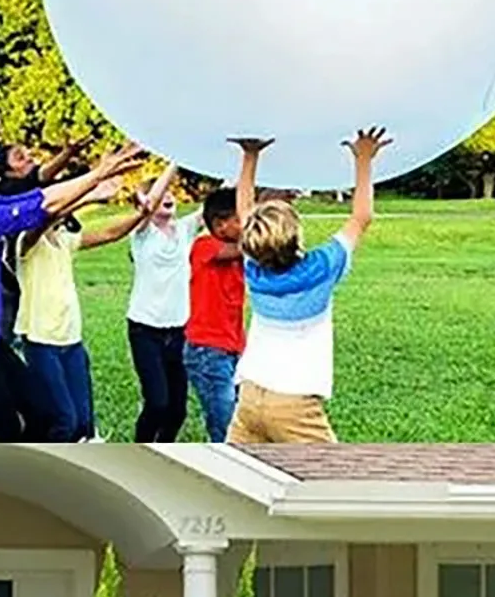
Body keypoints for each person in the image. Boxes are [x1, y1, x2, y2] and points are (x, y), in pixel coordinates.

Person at [0, 140, 143, 441]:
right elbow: (42, 205)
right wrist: (97, 175)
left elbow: (38, 196)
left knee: (45, 417)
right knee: (8, 432)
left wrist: (93, 189)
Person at [224, 130, 384, 443]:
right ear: (297, 235)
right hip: (293, 405)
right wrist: (364, 159)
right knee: (330, 484)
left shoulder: (254, 268)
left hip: (249, 395)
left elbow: (245, 214)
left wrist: (249, 157)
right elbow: (362, 217)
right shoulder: (321, 268)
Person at [17, 156, 164, 440]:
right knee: (64, 421)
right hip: (41, 343)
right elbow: (47, 214)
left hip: (72, 342)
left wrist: (141, 215)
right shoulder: (26, 242)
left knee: (83, 423)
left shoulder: (65, 241)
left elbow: (110, 233)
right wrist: (91, 194)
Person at [125, 165, 200, 441]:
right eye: (161, 193)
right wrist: (176, 160)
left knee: (177, 410)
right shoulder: (142, 235)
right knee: (157, 403)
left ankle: (163, 453)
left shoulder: (184, 230)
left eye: (172, 192)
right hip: (145, 331)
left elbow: (220, 199)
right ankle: (138, 453)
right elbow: (149, 205)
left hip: (178, 333)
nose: (168, 196)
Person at [183, 186, 247, 441]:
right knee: (225, 425)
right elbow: (248, 247)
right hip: (207, 352)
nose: (246, 225)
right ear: (220, 225)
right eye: (240, 219)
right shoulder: (204, 246)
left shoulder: (239, 252)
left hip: (233, 348)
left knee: (241, 422)